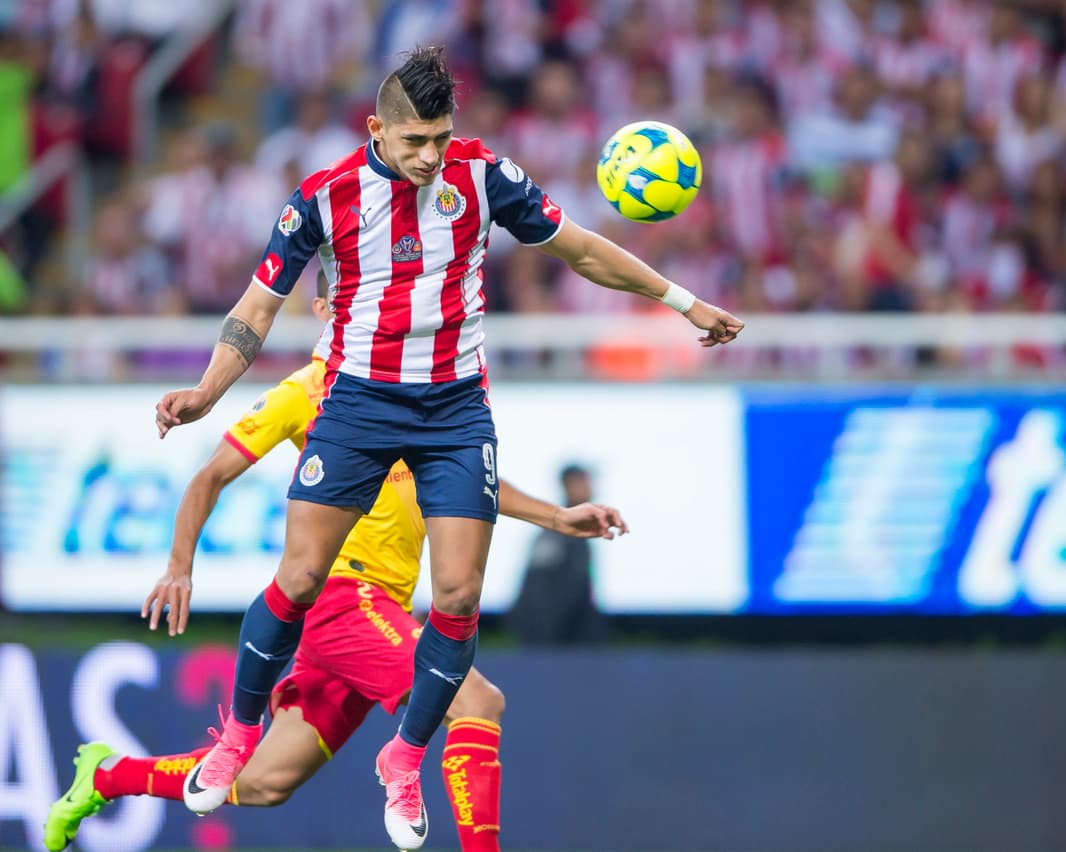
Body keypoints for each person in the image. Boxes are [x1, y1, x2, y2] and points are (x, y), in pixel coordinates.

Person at [152, 44, 741, 849]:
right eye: (414, 142)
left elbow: (582, 251)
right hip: (357, 404)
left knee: (458, 598)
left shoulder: (483, 176)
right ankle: (234, 739)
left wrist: (684, 301)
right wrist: (205, 393)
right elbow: (256, 308)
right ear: (376, 131)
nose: (430, 157)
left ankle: (403, 757)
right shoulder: (322, 199)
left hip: (456, 410)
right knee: (299, 575)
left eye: (440, 138)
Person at [45, 282, 628, 852]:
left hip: (378, 612)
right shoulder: (306, 392)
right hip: (345, 599)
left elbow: (464, 485)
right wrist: (178, 566)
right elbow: (209, 475)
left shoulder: (413, 382)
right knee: (477, 701)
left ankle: (106, 775)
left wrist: (557, 518)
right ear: (325, 309)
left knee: (266, 782)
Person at [507, 464, 607, 645]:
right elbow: (538, 591)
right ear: (569, 485)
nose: (590, 489)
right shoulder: (555, 533)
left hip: (574, 643)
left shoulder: (578, 532)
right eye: (584, 483)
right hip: (554, 644)